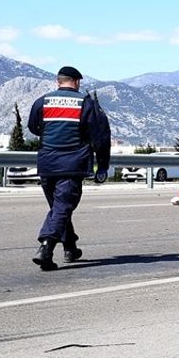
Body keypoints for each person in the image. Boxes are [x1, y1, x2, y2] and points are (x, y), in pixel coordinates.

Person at [27, 66, 111, 271]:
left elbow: (33, 127)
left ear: (58, 81)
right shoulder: (85, 103)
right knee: (62, 208)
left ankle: (70, 247)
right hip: (72, 165)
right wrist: (102, 166)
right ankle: (46, 247)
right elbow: (100, 137)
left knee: (59, 209)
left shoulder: (43, 101)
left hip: (47, 164)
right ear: (77, 81)